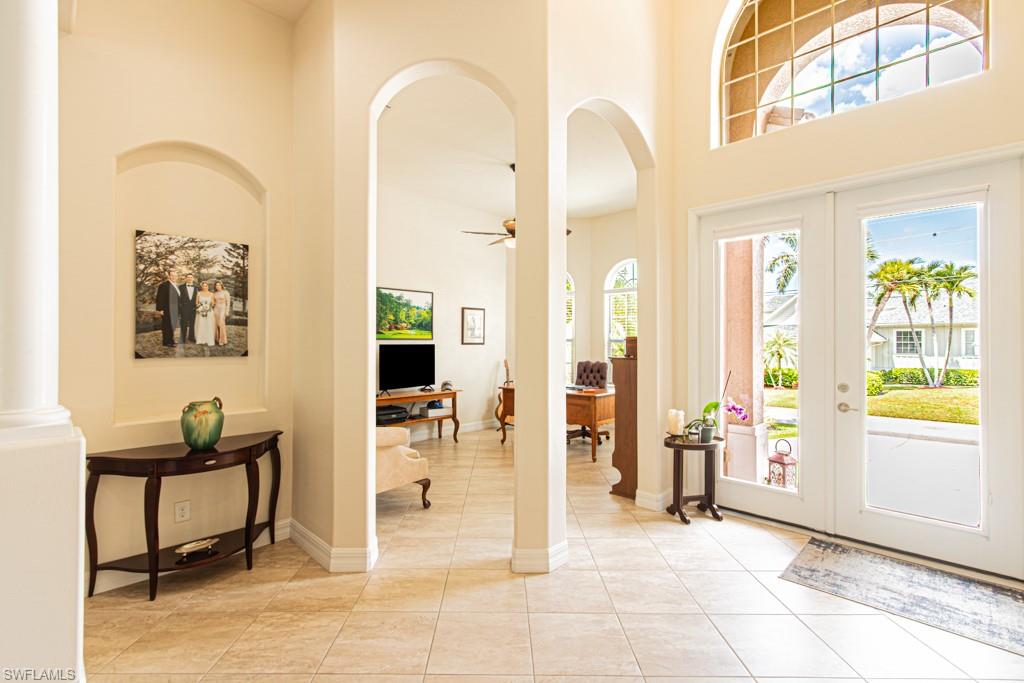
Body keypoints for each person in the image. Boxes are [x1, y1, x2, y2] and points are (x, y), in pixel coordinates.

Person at [154, 270, 180, 347]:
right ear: (168, 276)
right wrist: (160, 309)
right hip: (167, 309)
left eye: (175, 275)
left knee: (172, 326)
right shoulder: (164, 285)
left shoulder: (176, 285)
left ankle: (171, 340)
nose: (174, 277)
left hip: (174, 309)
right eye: (172, 275)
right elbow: (160, 298)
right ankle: (167, 342)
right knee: (167, 326)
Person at [194, 282, 216, 346]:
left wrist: (208, 307)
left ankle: (208, 339)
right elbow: (196, 302)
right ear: (202, 287)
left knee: (208, 324)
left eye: (206, 286)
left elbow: (213, 303)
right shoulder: (199, 293)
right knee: (201, 324)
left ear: (208, 286)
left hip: (209, 311)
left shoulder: (211, 294)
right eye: (203, 286)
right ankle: (200, 339)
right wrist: (201, 307)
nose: (205, 287)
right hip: (200, 311)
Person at [178, 274, 198, 344]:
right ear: (186, 278)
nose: (189, 279)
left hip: (193, 309)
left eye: (191, 277)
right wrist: (179, 309)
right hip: (184, 308)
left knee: (192, 324)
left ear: (193, 278)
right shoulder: (181, 287)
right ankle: (182, 338)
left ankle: (191, 337)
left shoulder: (196, 288)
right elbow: (178, 299)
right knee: (184, 323)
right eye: (188, 277)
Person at [213, 281, 232, 346]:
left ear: (221, 285)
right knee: (216, 324)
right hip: (216, 309)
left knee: (221, 324)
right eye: (216, 285)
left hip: (222, 309)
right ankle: (217, 339)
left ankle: (222, 340)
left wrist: (227, 311)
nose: (217, 286)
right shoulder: (215, 293)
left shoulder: (225, 292)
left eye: (219, 285)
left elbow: (228, 302)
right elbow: (213, 302)